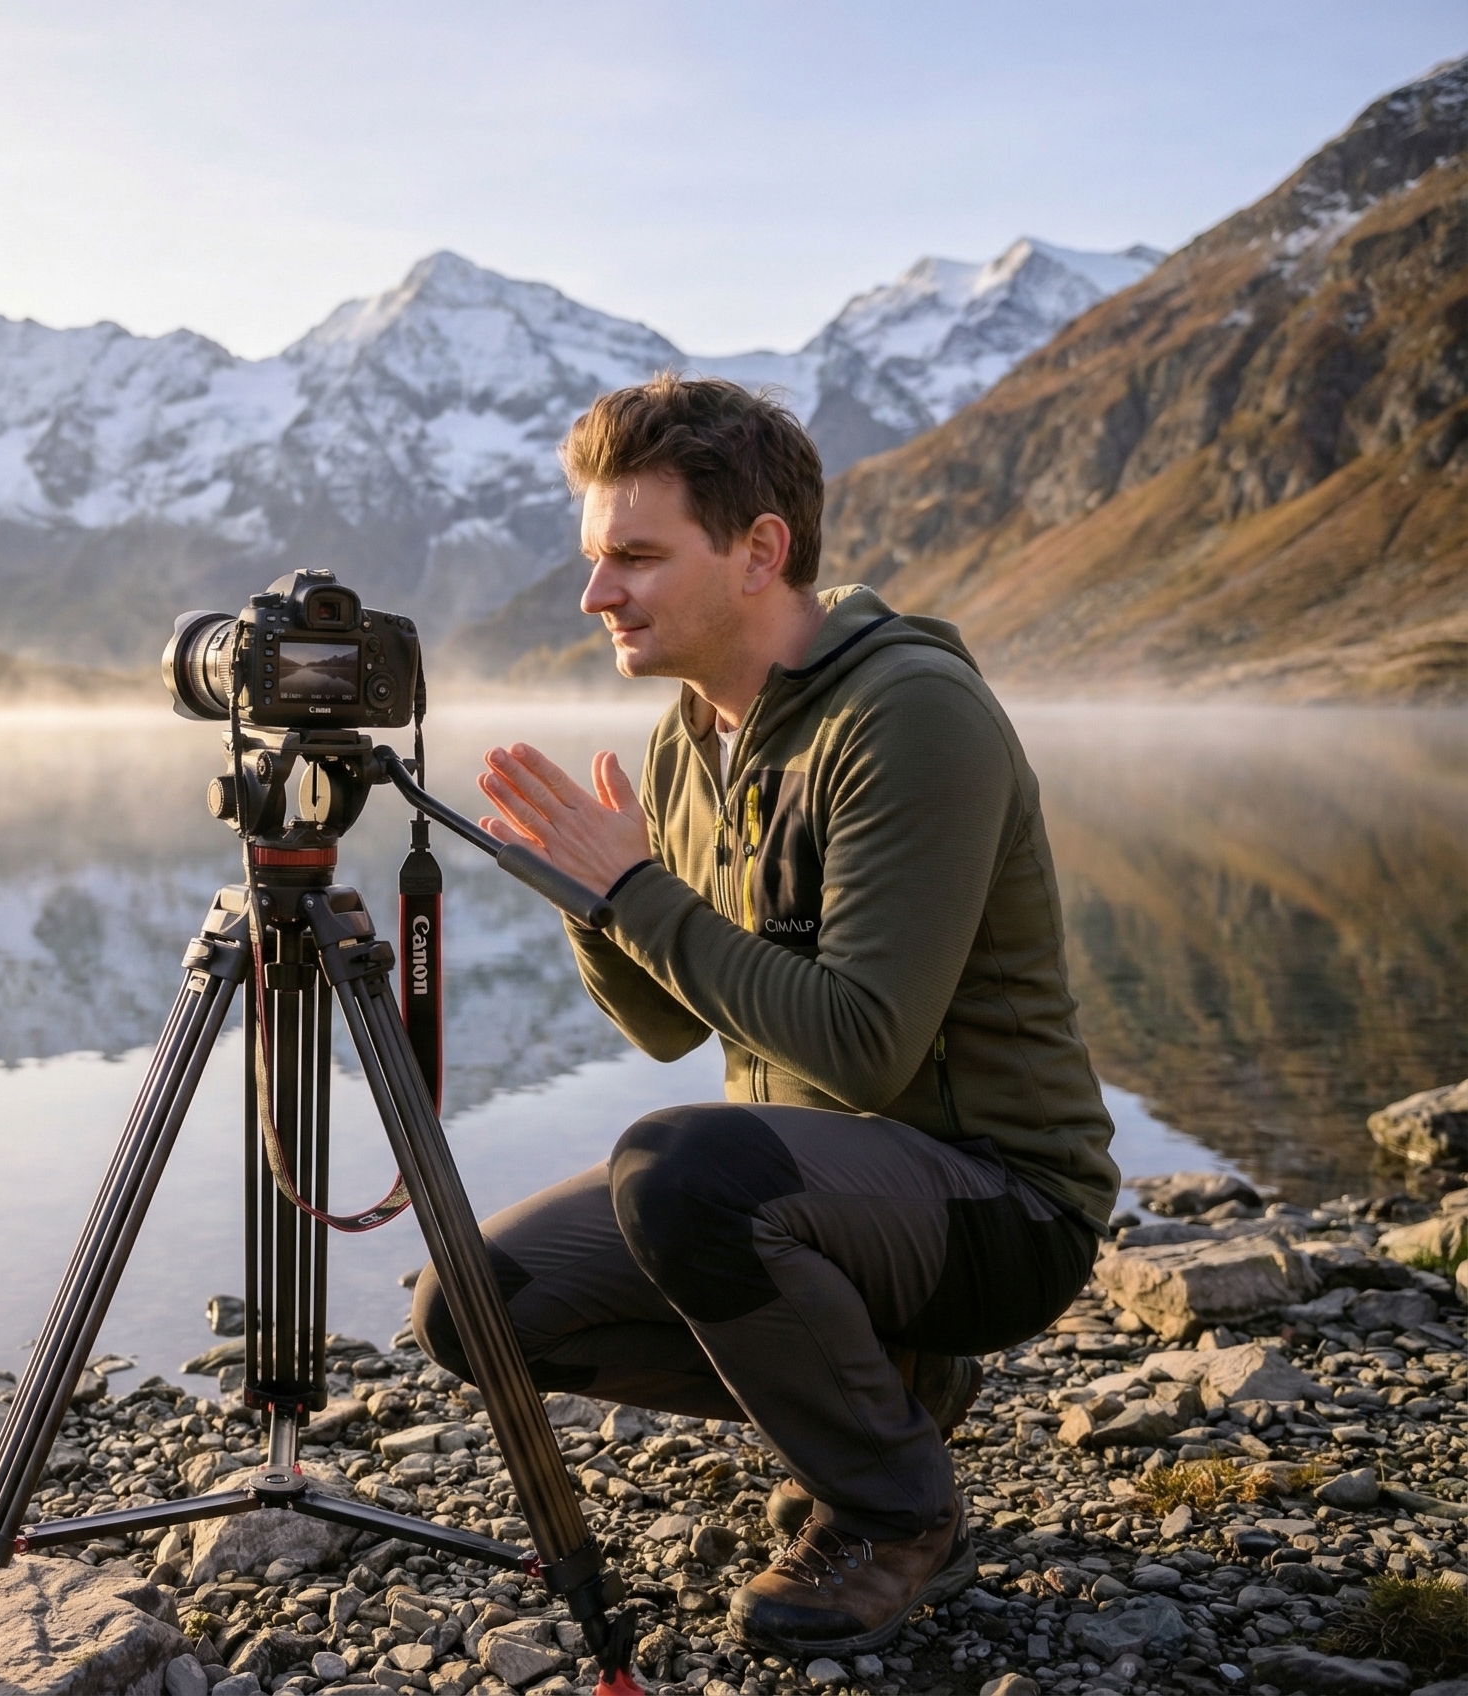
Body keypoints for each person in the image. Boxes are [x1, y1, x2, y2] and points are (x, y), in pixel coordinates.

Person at [406, 374, 1117, 1659]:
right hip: (825, 1207)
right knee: (470, 1306)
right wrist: (592, 899)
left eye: (633, 555)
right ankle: (885, 1389)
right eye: (590, 557)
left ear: (758, 552)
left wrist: (634, 889)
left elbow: (861, 1044)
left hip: (998, 1204)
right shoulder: (690, 738)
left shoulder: (905, 714)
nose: (595, 595)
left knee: (679, 1170)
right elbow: (665, 1026)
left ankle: (891, 1508)